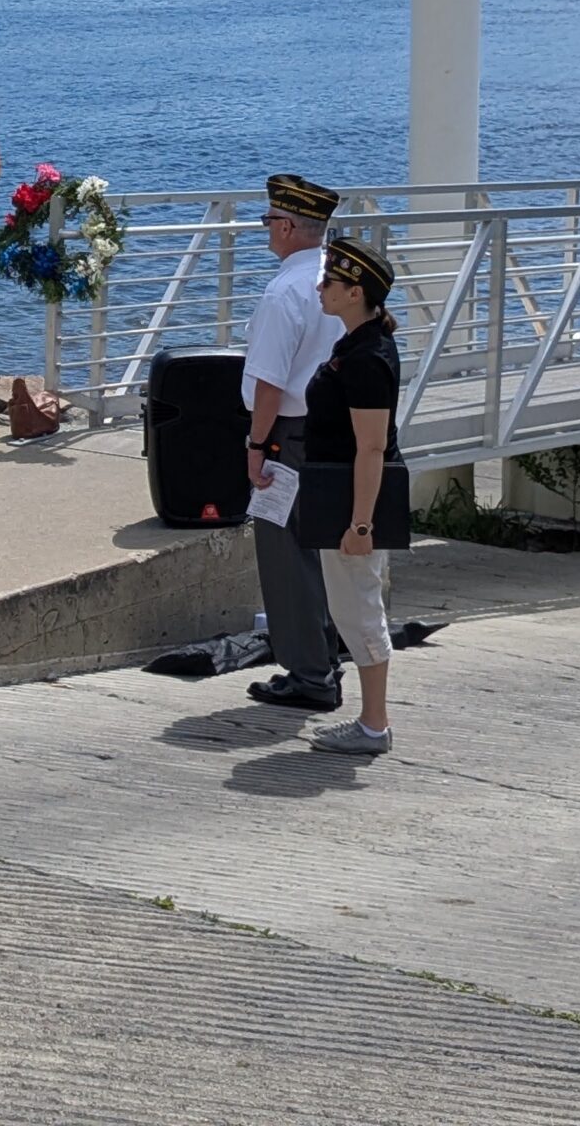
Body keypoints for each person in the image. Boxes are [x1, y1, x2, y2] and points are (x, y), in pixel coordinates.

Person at [241, 173, 348, 713]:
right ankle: (327, 658)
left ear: (286, 226)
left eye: (269, 221)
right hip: (337, 431)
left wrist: (256, 445)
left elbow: (269, 383)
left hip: (292, 436)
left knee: (287, 558)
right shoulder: (342, 282)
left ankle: (310, 676)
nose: (267, 230)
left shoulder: (284, 291)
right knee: (326, 554)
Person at [305, 234, 406, 757]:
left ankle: (373, 725)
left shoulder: (367, 357)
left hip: (354, 501)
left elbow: (372, 447)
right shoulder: (356, 344)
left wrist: (361, 524)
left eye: (330, 282)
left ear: (355, 292)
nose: (320, 288)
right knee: (353, 607)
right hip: (341, 495)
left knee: (359, 609)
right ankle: (372, 721)